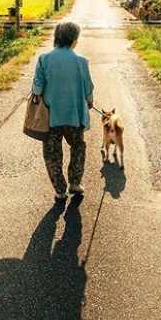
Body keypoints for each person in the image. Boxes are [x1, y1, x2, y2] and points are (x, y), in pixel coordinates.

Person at [31, 20, 94, 201]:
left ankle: (60, 190)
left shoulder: (44, 58)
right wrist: (89, 101)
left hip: (50, 116)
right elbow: (88, 89)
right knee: (78, 146)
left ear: (56, 37)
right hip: (74, 116)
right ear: (74, 40)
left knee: (52, 153)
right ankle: (75, 183)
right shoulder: (81, 61)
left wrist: (40, 95)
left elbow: (37, 88)